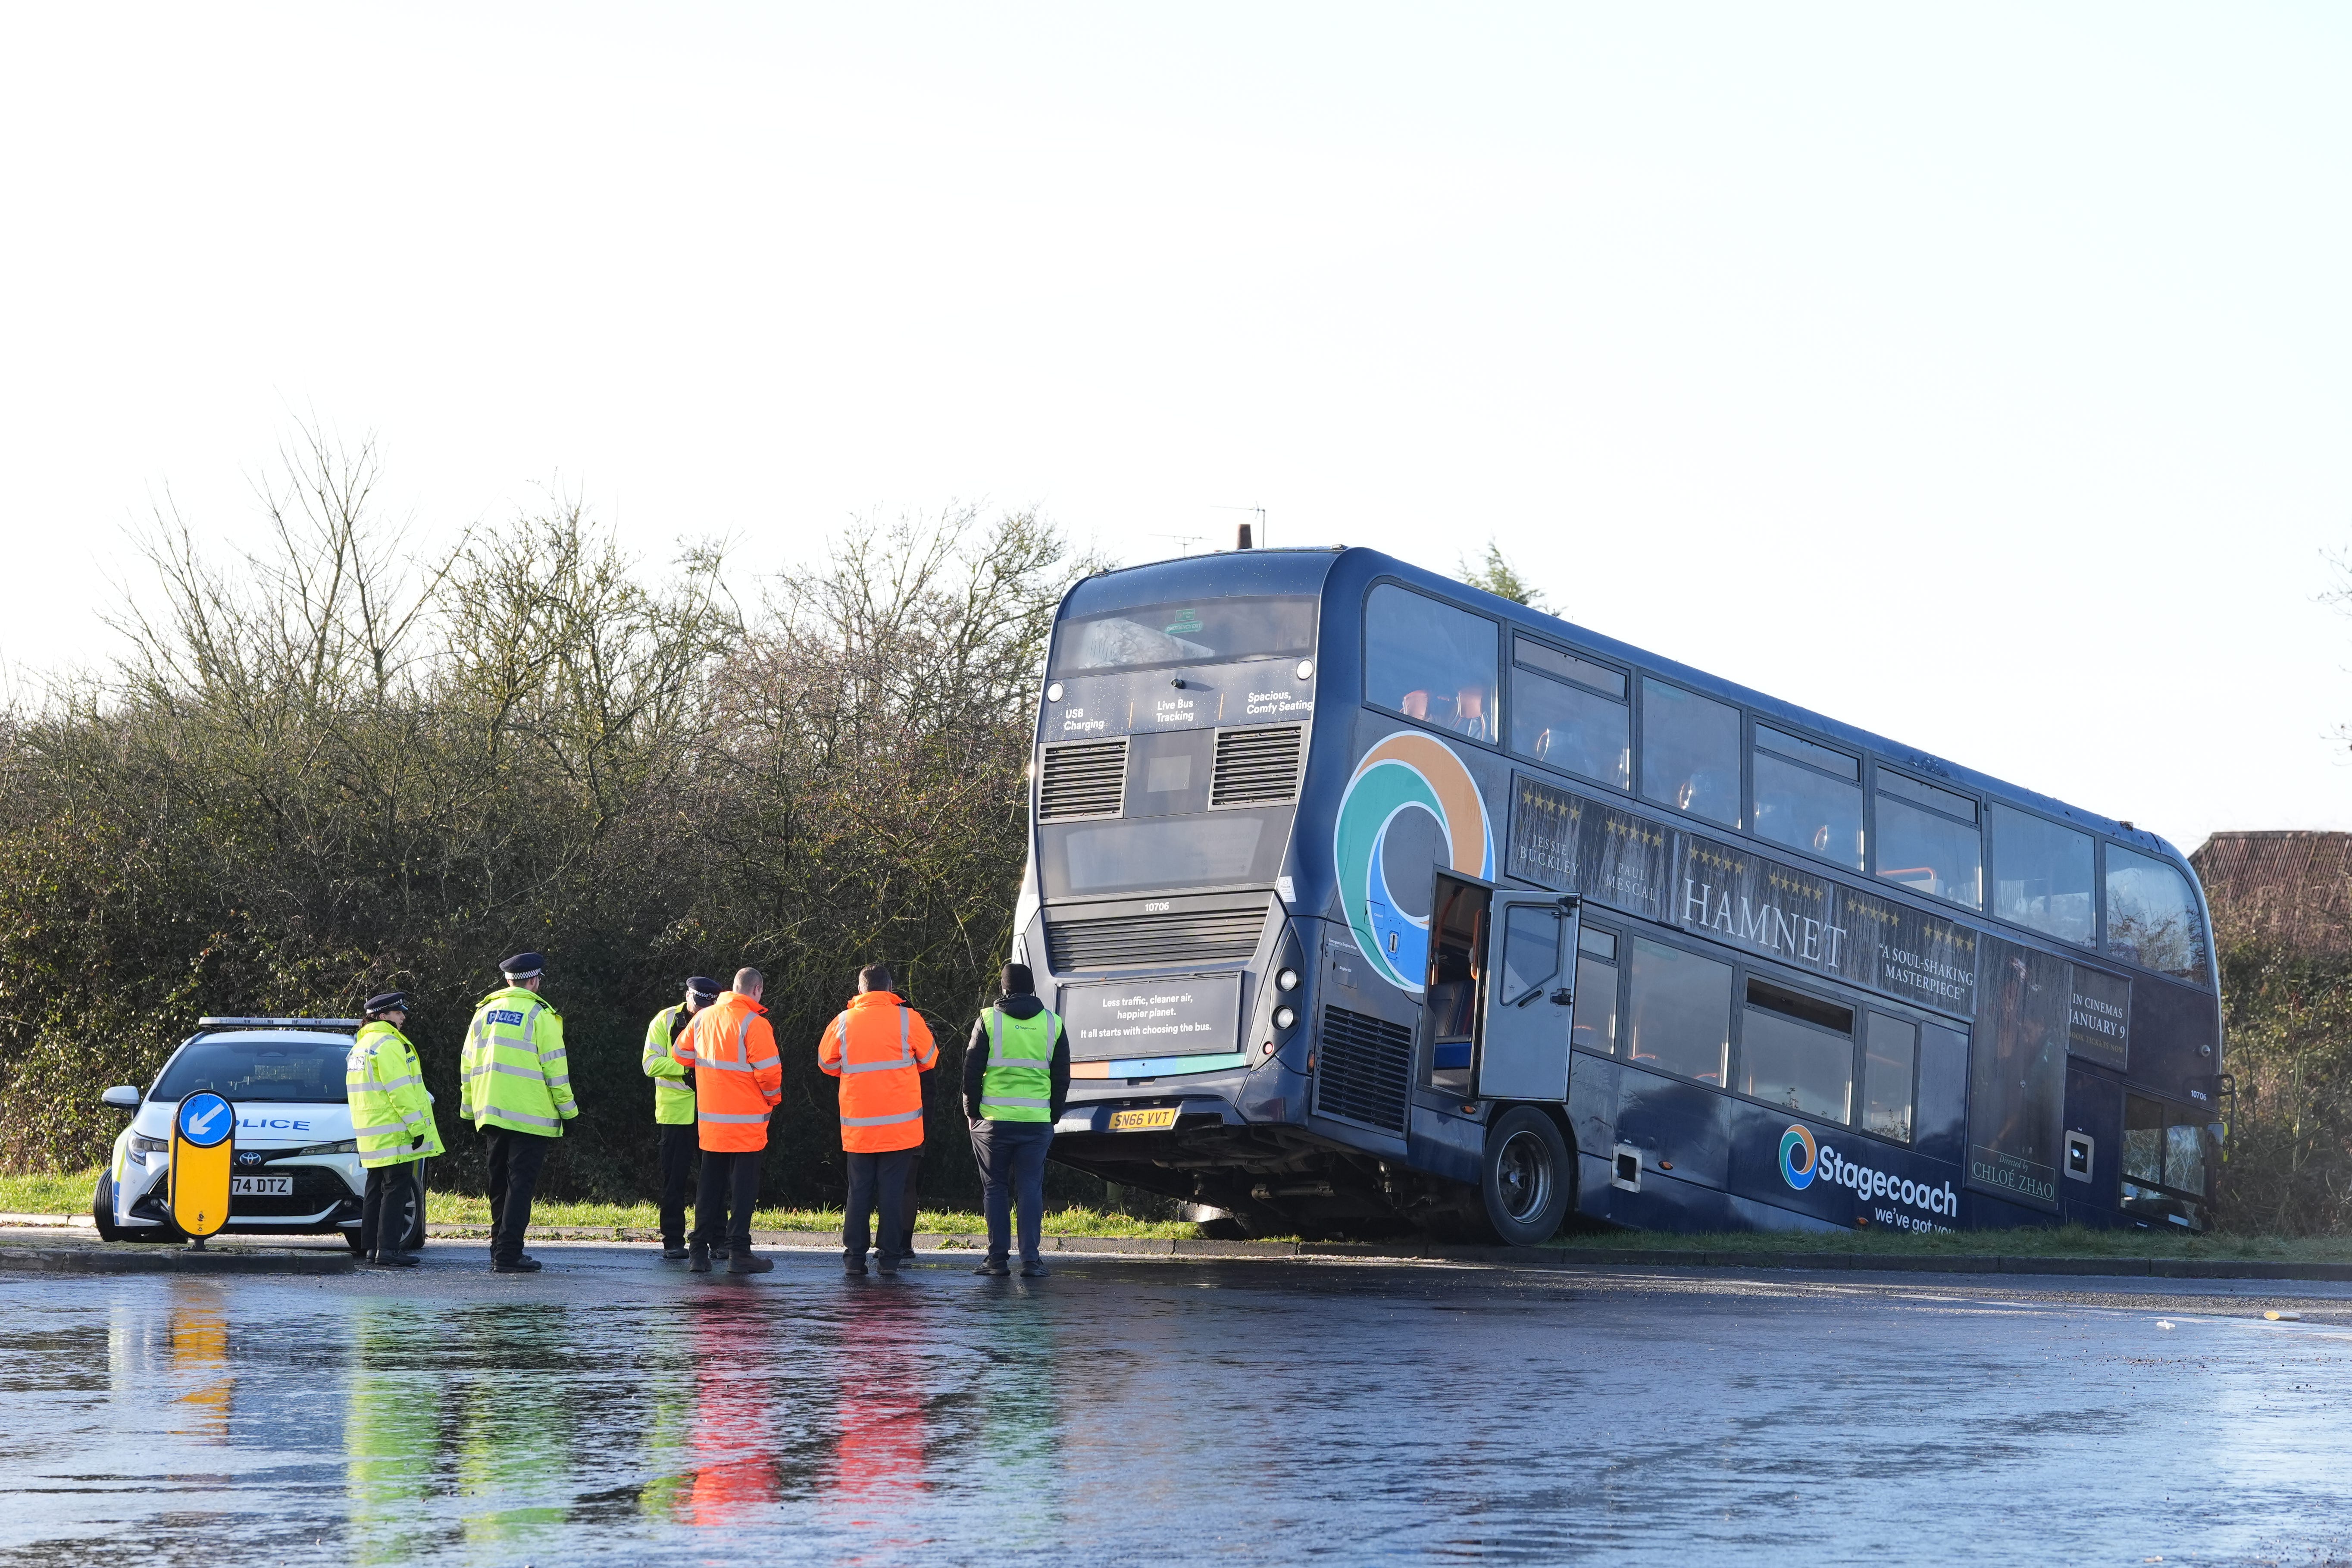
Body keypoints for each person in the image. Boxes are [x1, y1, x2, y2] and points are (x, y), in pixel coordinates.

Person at [459, 951, 578, 1274]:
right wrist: (569, 1112)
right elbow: (556, 1070)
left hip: (491, 1113)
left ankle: (498, 1249)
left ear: (508, 980)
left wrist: (469, 1110)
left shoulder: (484, 1012)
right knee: (520, 1186)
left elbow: (467, 1065)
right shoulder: (540, 1014)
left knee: (498, 1184)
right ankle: (509, 1254)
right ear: (535, 981)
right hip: (530, 1116)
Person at [818, 962, 938, 1277]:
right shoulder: (908, 1018)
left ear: (861, 989)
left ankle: (854, 1259)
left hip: (859, 1126)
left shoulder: (843, 1021)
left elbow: (826, 1063)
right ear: (890, 988)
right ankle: (889, 1259)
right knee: (893, 1192)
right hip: (900, 1127)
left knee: (859, 1191)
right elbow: (930, 1059)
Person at [962, 963, 1069, 1278]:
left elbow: (971, 1071)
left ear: (1004, 988)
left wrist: (971, 1112)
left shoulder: (988, 1020)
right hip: (1036, 1122)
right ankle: (1031, 1261)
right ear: (1032, 988)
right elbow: (1062, 1077)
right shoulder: (1052, 1023)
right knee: (1031, 1188)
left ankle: (997, 1260)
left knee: (995, 1188)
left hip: (993, 1122)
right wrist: (1052, 1116)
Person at [674, 967, 782, 1275]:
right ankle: (739, 1252)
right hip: (746, 1123)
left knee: (709, 1187)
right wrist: (773, 1099)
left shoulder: (703, 1018)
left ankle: (698, 1253)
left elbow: (680, 1053)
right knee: (743, 1190)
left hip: (712, 1121)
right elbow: (770, 1074)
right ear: (757, 990)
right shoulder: (754, 1023)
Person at [345, 990, 442, 1268]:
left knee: (375, 1189)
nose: (403, 1018)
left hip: (371, 1132)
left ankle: (371, 1248)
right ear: (383, 1016)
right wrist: (417, 1127)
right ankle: (388, 1250)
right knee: (396, 1189)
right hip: (395, 1131)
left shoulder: (360, 1047)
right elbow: (400, 1091)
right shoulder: (389, 1044)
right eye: (398, 1013)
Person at [645, 976, 722, 1261]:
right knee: (674, 1181)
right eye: (697, 1003)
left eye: (706, 1006)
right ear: (688, 995)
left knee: (715, 1180)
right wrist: (686, 1068)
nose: (700, 1010)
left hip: (712, 1111)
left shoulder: (719, 1020)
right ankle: (673, 1241)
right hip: (675, 1114)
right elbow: (650, 1064)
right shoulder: (664, 1020)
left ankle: (719, 1240)